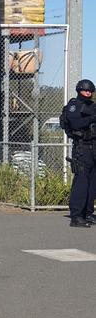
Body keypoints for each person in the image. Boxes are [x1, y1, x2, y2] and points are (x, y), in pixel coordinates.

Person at [65, 79, 96, 228]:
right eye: (85, 90)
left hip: (94, 148)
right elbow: (75, 123)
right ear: (79, 90)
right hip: (82, 148)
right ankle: (76, 216)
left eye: (90, 91)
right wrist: (92, 118)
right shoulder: (74, 105)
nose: (88, 93)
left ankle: (88, 213)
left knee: (93, 183)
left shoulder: (92, 106)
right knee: (82, 182)